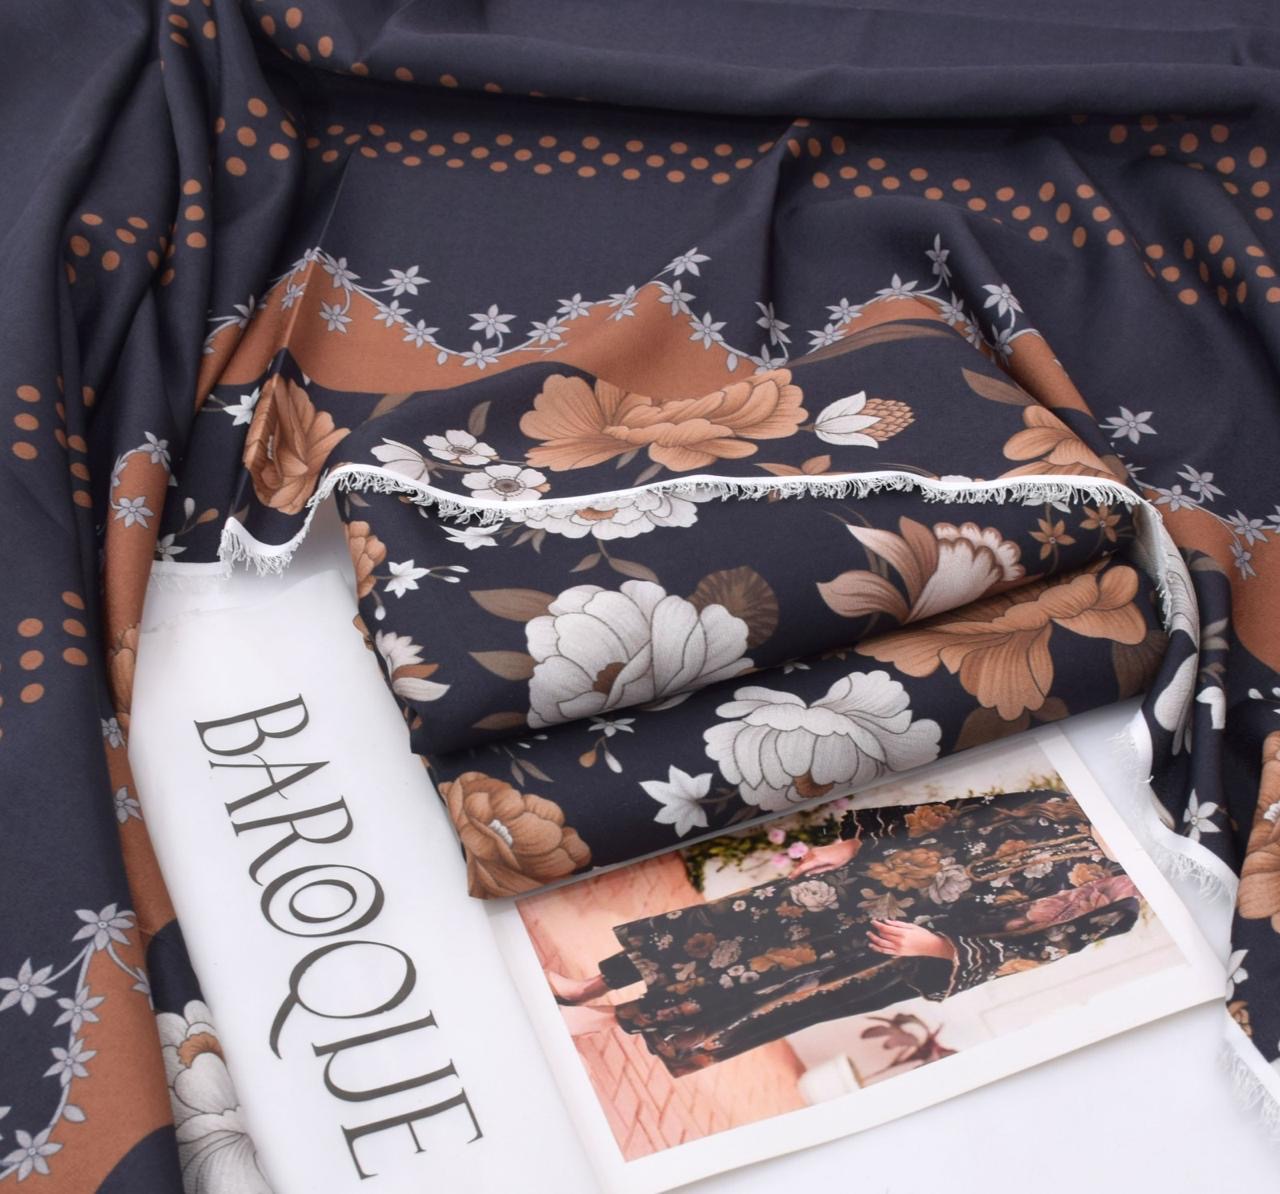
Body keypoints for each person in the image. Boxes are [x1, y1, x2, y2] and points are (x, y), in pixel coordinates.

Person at [547, 789, 1141, 1077]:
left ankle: (610, 1021)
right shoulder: (1068, 803)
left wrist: (936, 948)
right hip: (862, 880)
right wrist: (851, 845)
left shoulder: (1122, 901)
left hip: (896, 937)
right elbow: (947, 815)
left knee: (754, 980)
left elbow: (1038, 949)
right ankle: (589, 986)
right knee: (715, 927)